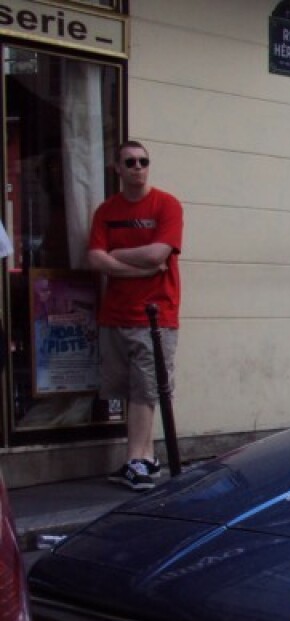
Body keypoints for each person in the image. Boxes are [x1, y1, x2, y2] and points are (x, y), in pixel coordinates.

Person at [87, 140, 183, 491]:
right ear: (118, 168)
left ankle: (137, 460)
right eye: (130, 162)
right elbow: (95, 258)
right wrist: (137, 267)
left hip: (155, 315)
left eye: (143, 161)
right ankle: (145, 457)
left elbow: (160, 252)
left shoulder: (166, 205)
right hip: (114, 315)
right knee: (126, 389)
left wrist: (116, 256)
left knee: (146, 389)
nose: (138, 167)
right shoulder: (106, 211)